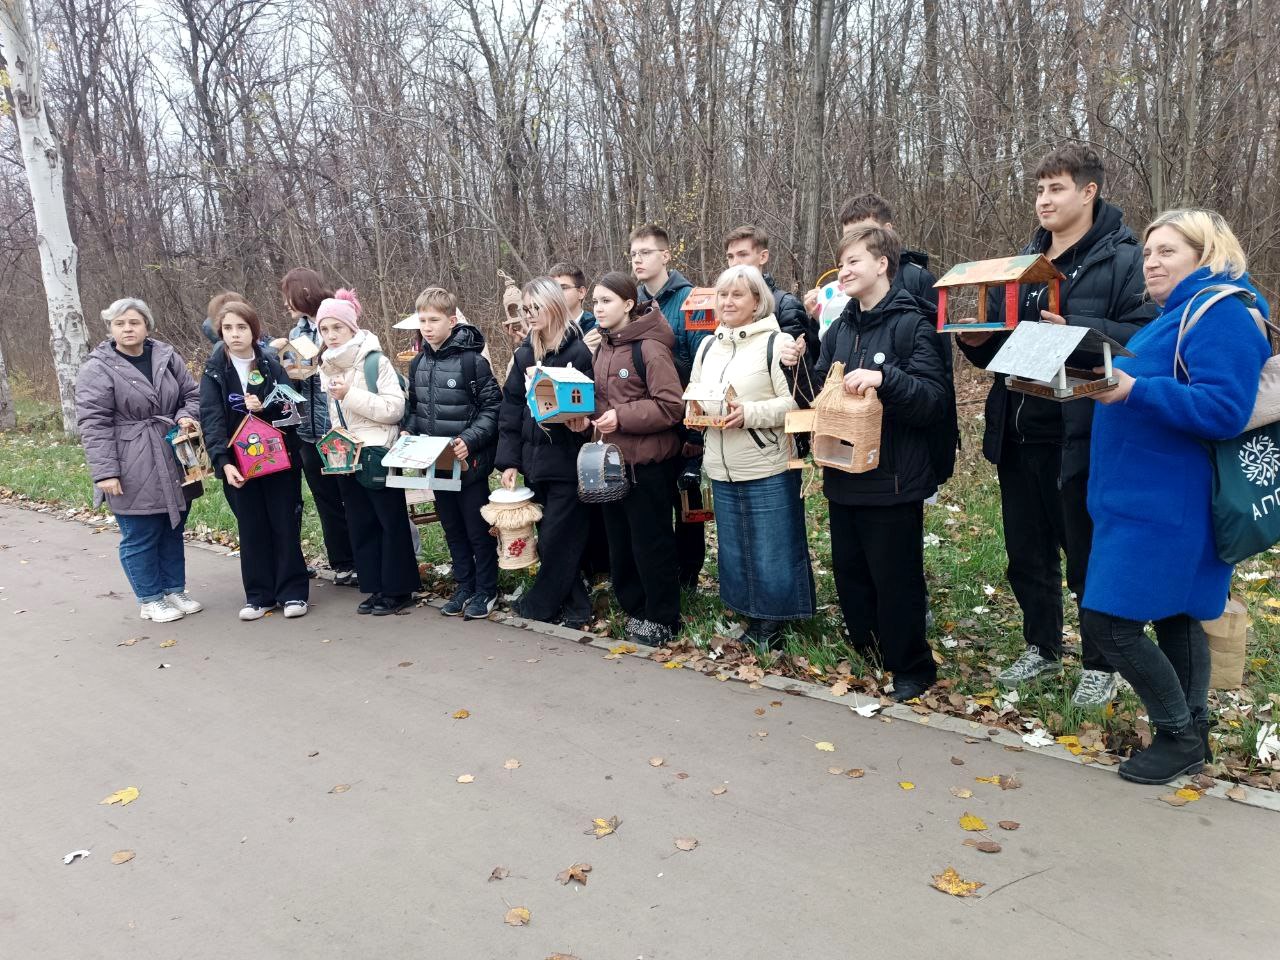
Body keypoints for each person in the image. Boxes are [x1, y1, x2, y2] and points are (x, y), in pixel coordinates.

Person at [955, 143, 1155, 706]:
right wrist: (977, 342)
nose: (1044, 200)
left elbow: (1142, 337)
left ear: (1089, 192)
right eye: (1039, 189)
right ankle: (1041, 647)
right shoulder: (1023, 263)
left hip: (1084, 433)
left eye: (1057, 188)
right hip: (1020, 427)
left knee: (1085, 553)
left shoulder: (1125, 260)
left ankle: (1100, 662)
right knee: (1027, 552)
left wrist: (1076, 325)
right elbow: (1003, 345)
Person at [1084, 209, 1269, 784]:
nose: (1152, 261)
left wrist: (1135, 390)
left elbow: (1222, 410)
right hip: (1140, 499)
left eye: (1167, 251)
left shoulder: (1223, 315)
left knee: (1109, 623)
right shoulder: (1175, 314)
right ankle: (1192, 732)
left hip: (1172, 506)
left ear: (1206, 255)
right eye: (1148, 252)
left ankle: (1177, 730)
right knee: (1176, 616)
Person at [788, 225, 949, 701]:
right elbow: (815, 393)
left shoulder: (913, 323)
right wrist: (794, 364)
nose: (845, 271)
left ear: (883, 264)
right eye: (842, 263)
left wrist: (885, 379)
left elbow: (934, 401)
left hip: (894, 475)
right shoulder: (840, 327)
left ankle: (912, 668)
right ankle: (870, 649)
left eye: (855, 261)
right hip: (843, 472)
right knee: (852, 572)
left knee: (895, 577)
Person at [687, 264, 814, 649]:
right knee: (735, 546)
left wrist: (749, 413)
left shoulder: (777, 344)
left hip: (766, 463)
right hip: (721, 465)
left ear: (757, 302)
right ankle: (748, 613)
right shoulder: (709, 345)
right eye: (723, 295)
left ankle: (774, 623)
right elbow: (696, 388)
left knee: (772, 546)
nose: (727, 302)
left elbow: (796, 403)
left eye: (737, 295)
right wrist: (694, 411)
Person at [76, 298, 204, 623]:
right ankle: (149, 598)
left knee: (173, 527)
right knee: (141, 532)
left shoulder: (165, 355)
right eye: (120, 324)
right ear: (110, 329)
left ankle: (174, 588)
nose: (127, 329)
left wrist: (187, 417)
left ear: (147, 325)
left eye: (134, 322)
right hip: (130, 457)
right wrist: (105, 472)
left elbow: (192, 394)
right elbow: (93, 422)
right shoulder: (97, 366)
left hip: (174, 453)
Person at [574, 271, 684, 645]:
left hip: (647, 466)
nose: (598, 308)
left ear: (627, 304)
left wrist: (622, 417)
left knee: (651, 544)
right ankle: (636, 610)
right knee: (620, 542)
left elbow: (672, 407)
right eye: (595, 302)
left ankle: (663, 618)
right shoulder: (604, 347)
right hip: (609, 465)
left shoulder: (649, 348)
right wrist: (583, 419)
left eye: (606, 301)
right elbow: (603, 403)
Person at [199, 300, 310, 621]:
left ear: (254, 331)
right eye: (228, 328)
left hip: (279, 462)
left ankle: (293, 592)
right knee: (251, 528)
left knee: (284, 524)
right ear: (220, 332)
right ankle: (259, 596)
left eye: (242, 327)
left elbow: (293, 411)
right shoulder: (214, 370)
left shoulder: (272, 365)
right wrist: (223, 461)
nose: (235, 334)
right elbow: (211, 417)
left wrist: (266, 407)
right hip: (239, 465)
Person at [496, 277, 595, 628]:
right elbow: (510, 409)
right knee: (551, 538)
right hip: (534, 461)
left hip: (568, 461)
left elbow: (591, 402)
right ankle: (577, 607)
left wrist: (583, 420)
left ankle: (540, 605)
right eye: (526, 309)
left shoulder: (578, 351)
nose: (530, 315)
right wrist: (508, 461)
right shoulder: (524, 353)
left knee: (557, 536)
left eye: (535, 307)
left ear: (553, 305)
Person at [317, 289, 421, 615]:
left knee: (389, 522)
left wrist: (349, 394)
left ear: (352, 327)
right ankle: (376, 586)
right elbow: (337, 415)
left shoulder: (376, 361)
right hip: (346, 454)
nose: (331, 336)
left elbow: (393, 409)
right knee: (360, 522)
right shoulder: (328, 365)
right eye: (325, 329)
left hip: (378, 451)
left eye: (338, 328)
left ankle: (399, 589)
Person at [403, 287, 503, 621]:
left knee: (476, 530)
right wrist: (409, 431)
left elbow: (493, 407)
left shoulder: (472, 361)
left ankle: (487, 590)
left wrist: (469, 440)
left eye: (434, 320)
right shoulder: (417, 362)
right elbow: (415, 409)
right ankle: (465, 585)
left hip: (469, 463)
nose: (427, 327)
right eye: (422, 320)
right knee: (452, 528)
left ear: (452, 320)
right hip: (438, 464)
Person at [631, 223, 707, 588]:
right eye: (633, 254)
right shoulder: (632, 302)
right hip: (647, 420)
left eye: (645, 252)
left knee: (690, 504)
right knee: (656, 500)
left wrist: (695, 430)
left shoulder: (691, 299)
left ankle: (689, 572)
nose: (638, 260)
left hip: (685, 419)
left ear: (666, 255)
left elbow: (702, 365)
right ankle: (662, 571)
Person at [281, 267, 356, 587]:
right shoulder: (296, 332)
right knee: (324, 499)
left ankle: (361, 558)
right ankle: (341, 562)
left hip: (334, 427)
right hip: (306, 429)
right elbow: (296, 374)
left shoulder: (336, 320)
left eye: (288, 295)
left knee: (349, 496)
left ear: (303, 292)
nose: (285, 303)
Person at [724, 224, 819, 364]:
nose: (734, 263)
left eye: (743, 255)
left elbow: (797, 368)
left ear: (763, 257)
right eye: (730, 257)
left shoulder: (786, 306)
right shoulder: (725, 304)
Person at [551, 262, 597, 337]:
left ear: (581, 292)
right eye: (553, 289)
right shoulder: (544, 331)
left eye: (563, 288)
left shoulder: (596, 331)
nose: (557, 293)